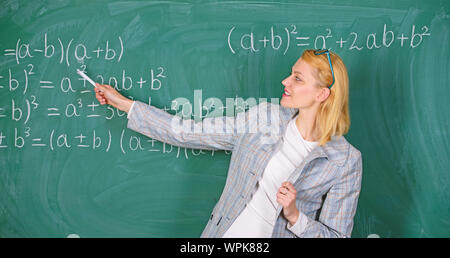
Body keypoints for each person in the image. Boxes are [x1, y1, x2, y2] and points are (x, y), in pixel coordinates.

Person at [94, 49, 363, 238]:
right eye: (291, 74)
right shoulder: (264, 118)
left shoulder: (345, 161)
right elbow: (187, 132)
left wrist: (295, 216)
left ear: (322, 94)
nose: (285, 81)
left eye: (297, 78)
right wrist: (123, 103)